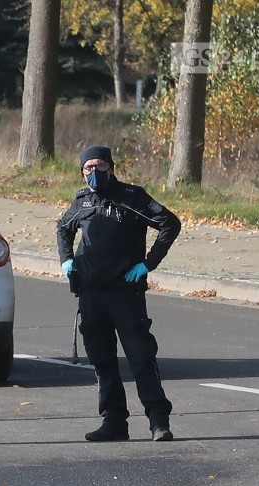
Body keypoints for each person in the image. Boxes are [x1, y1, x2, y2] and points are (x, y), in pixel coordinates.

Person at [57, 145, 181, 442]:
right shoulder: (82, 201)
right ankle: (114, 421)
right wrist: (66, 260)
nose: (94, 172)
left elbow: (169, 223)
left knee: (140, 357)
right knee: (102, 360)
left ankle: (158, 421)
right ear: (81, 171)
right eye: (88, 167)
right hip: (91, 294)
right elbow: (63, 227)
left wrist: (147, 263)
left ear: (111, 167)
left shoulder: (132, 197)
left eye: (100, 166)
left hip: (125, 293)